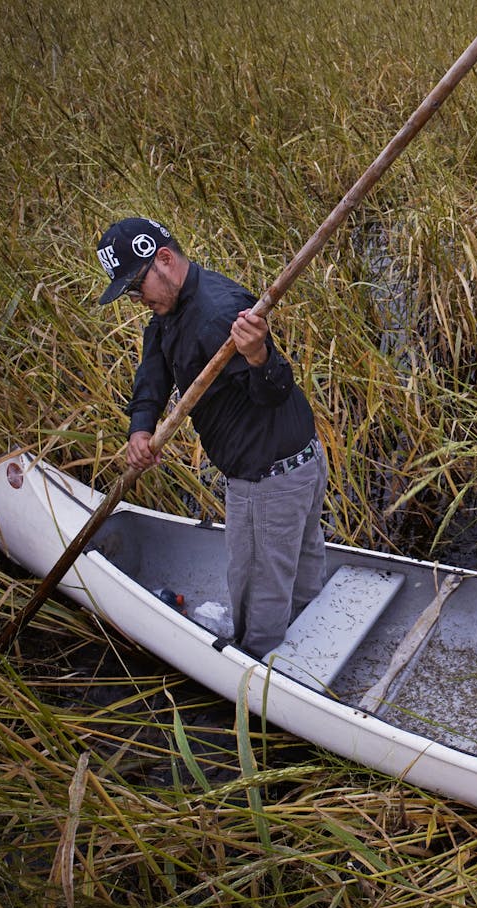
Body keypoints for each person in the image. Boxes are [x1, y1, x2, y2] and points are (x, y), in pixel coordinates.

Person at [95, 216, 328, 658]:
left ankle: (259, 672)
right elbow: (155, 365)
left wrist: (259, 354)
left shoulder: (218, 311)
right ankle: (303, 639)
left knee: (257, 589)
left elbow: (275, 391)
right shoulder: (170, 308)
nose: (135, 299)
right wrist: (142, 426)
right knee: (299, 568)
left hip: (269, 481)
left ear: (163, 260)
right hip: (301, 464)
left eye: (135, 287)